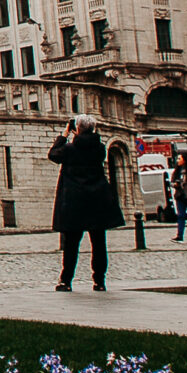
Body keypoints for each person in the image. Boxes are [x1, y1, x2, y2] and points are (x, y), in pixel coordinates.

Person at [49, 118, 124, 292]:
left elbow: (53, 154)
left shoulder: (69, 149)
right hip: (97, 199)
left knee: (71, 244)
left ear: (78, 129)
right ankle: (99, 281)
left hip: (75, 200)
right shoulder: (100, 149)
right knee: (98, 243)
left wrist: (64, 135)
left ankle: (66, 280)